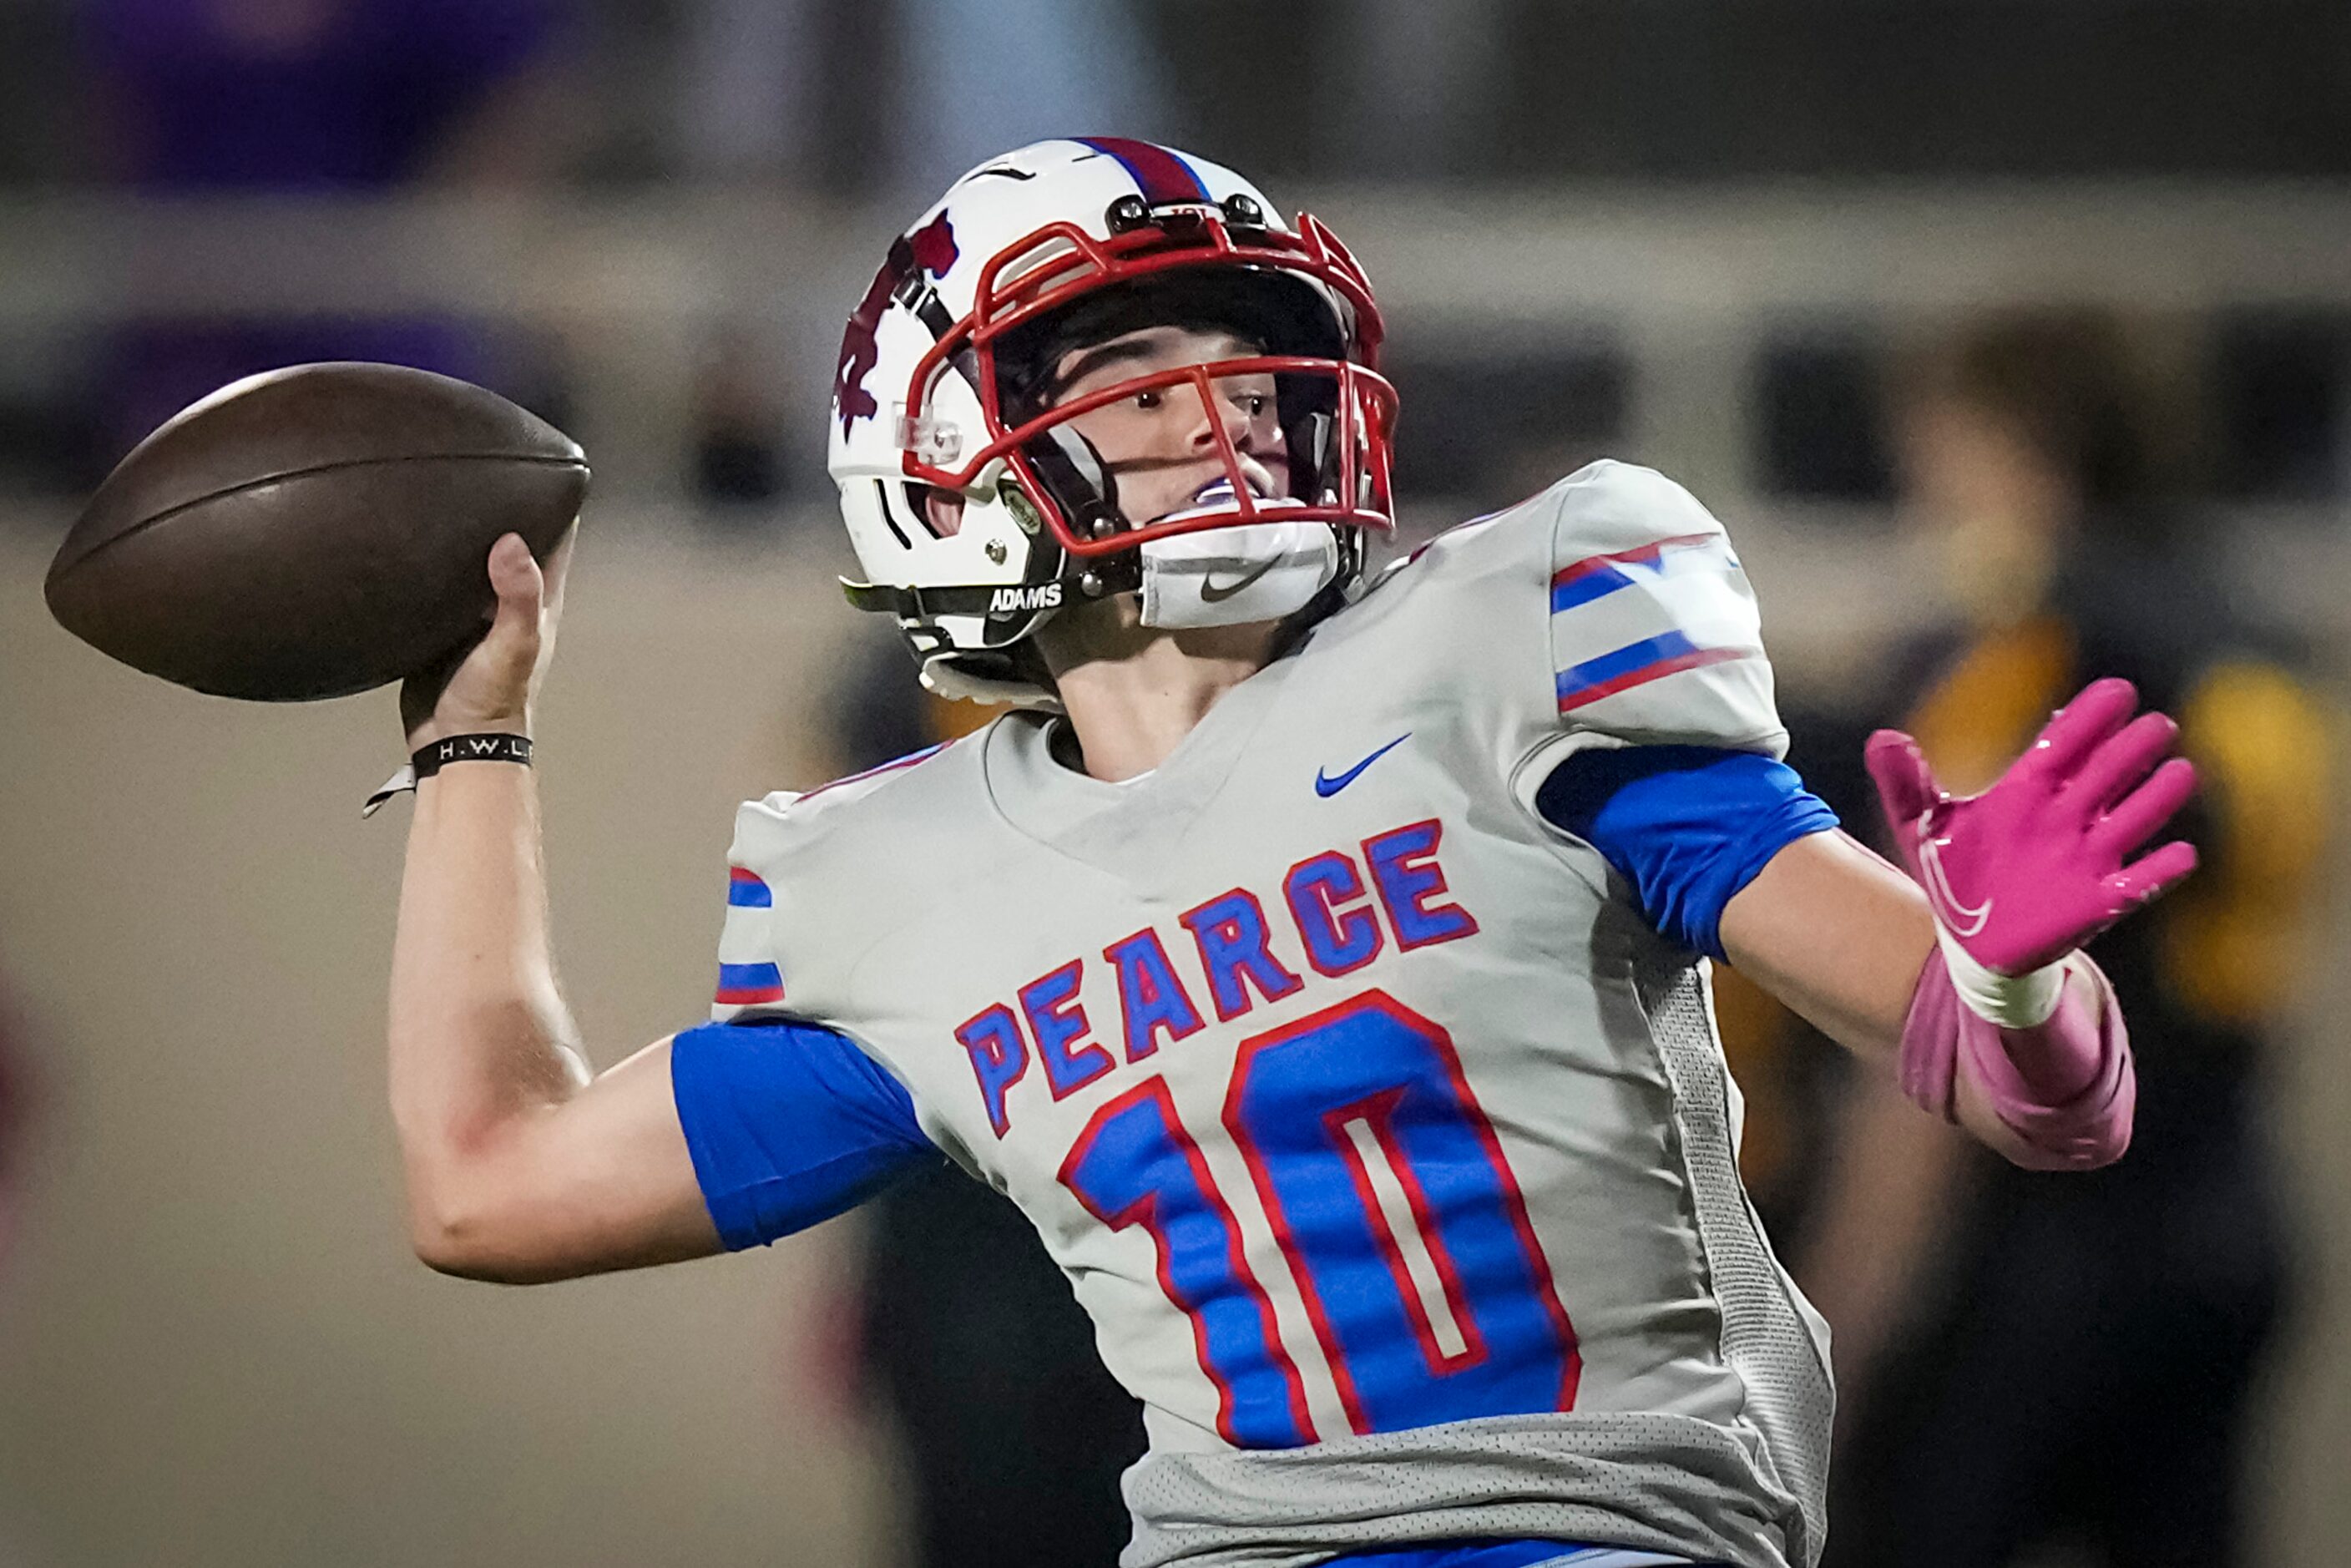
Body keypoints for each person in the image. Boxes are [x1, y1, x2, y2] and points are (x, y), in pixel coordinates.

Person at [377, 141, 2199, 1568]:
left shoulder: (1507, 646)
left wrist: (2018, 981)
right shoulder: (903, 883)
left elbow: (2039, 1101)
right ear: (951, 450)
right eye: (1136, 361)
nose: (1226, 396)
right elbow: (488, 1185)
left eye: (1248, 352)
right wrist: (474, 734)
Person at [1798, 312, 2328, 1568]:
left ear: (2022, 444)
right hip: (2231, 1217)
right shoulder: (2248, 634)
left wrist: (1839, 1326)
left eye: (1941, 444)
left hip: (2038, 1249)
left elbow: (1950, 989)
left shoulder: (2025, 647)